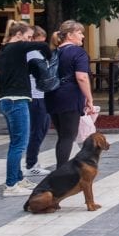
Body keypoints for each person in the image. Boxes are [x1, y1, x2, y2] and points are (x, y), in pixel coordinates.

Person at [0, 21, 45, 196]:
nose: (30, 41)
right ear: (18, 35)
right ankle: (11, 186)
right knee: (19, 144)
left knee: (16, 143)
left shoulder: (8, 51)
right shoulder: (15, 48)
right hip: (16, 100)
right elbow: (43, 45)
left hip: (9, 100)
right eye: (28, 37)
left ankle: (17, 179)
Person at [44, 20, 95, 170]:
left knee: (63, 136)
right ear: (70, 35)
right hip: (70, 96)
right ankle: (61, 171)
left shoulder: (54, 52)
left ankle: (65, 167)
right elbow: (82, 77)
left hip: (52, 95)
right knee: (68, 137)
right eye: (80, 33)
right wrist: (89, 99)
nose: (83, 36)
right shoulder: (78, 53)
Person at [24, 26, 52, 178]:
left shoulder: (37, 53)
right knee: (38, 130)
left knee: (42, 128)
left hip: (41, 95)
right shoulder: (32, 54)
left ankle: (33, 161)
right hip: (36, 96)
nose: (43, 41)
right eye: (39, 38)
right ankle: (31, 163)